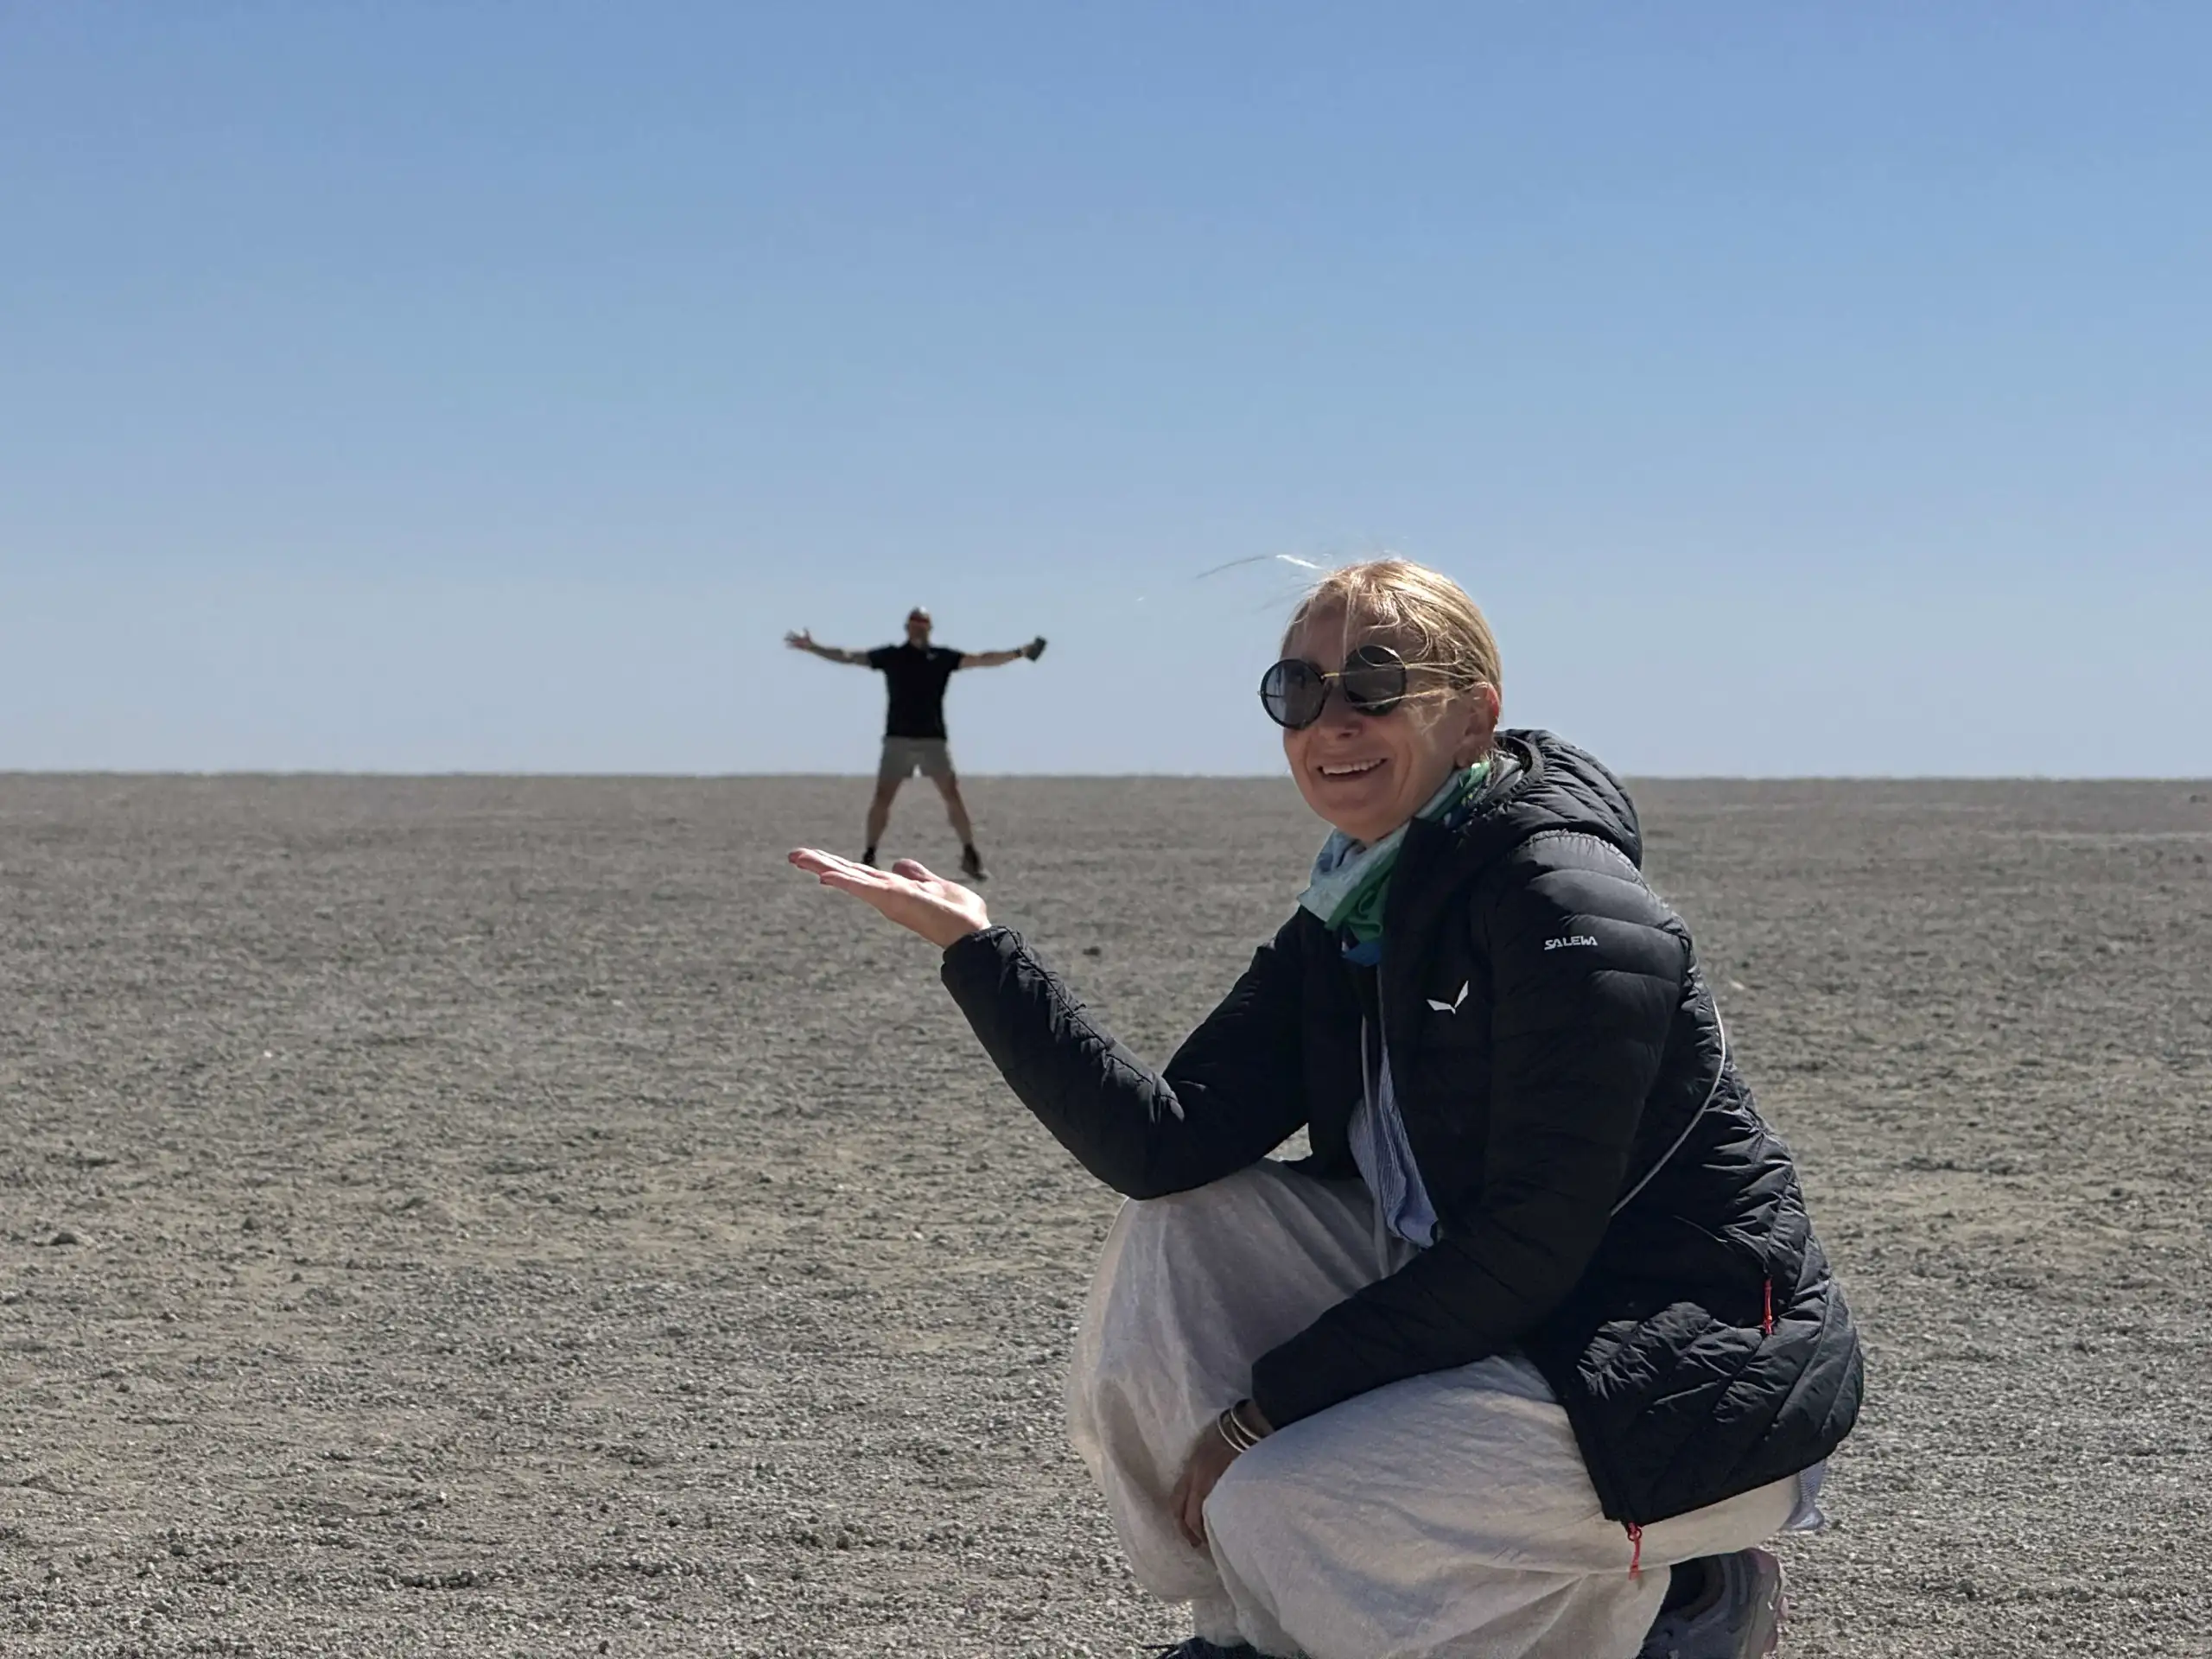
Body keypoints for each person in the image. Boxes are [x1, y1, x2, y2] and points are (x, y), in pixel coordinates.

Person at [789, 558, 1861, 1659]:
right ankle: (1259, 1625)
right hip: (1512, 1320)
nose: (1330, 722)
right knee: (1182, 1231)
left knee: (1282, 1495)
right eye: (1297, 691)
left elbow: (1527, 1251)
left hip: (1680, 1374)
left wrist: (1264, 1416)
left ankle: (1681, 1602)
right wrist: (977, 951)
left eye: (1374, 685)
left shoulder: (1563, 906)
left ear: (1473, 718)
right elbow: (1164, 1145)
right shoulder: (1356, 909)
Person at [785, 607, 1046, 880]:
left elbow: (982, 660)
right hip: (898, 739)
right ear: (907, 628)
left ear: (929, 628)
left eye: (922, 625)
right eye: (913, 625)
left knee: (952, 796)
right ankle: (869, 855)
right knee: (883, 797)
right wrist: (813, 648)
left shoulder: (942, 658)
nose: (918, 629)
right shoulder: (892, 656)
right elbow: (849, 657)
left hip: (933, 740)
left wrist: (1020, 652)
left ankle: (970, 855)